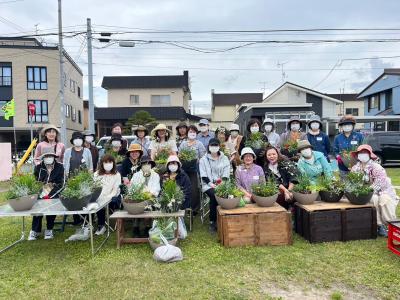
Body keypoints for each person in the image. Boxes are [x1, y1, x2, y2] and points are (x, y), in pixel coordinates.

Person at [351, 145, 399, 237]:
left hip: (383, 191)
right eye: (360, 153)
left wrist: (368, 190)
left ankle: (390, 225)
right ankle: (379, 225)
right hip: (366, 193)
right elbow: (353, 182)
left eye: (365, 153)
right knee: (373, 199)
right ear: (357, 155)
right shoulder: (355, 168)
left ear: (370, 154)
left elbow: (380, 182)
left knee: (383, 199)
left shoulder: (376, 167)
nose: (363, 155)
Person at [28, 148, 65, 241]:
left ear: (54, 157)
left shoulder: (60, 167)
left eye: (51, 156)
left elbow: (62, 184)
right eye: (46, 156)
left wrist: (50, 195)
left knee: (51, 208)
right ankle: (35, 230)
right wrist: (40, 193)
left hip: (54, 194)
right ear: (43, 158)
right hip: (40, 193)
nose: (49, 158)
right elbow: (35, 183)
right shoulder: (38, 168)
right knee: (37, 209)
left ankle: (49, 229)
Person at [199, 138, 230, 232]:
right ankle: (213, 221)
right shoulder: (203, 160)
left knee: (224, 194)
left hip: (223, 184)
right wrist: (211, 184)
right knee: (214, 195)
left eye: (216, 145)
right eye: (212, 145)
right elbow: (203, 174)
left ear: (219, 146)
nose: (214, 147)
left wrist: (222, 184)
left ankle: (224, 218)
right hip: (208, 185)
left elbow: (226, 172)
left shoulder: (224, 158)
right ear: (208, 147)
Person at [63, 131, 93, 225]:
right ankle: (76, 220)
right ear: (73, 141)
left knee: (85, 199)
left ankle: (86, 220)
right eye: (76, 139)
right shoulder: (68, 151)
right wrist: (67, 176)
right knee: (74, 199)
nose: (78, 140)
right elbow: (65, 165)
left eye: (80, 139)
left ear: (82, 140)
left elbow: (90, 166)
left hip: (84, 179)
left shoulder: (87, 151)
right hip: (72, 179)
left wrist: (90, 177)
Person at [178, 125, 206, 213]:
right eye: (190, 132)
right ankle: (184, 207)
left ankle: (194, 209)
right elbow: (179, 155)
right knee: (184, 188)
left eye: (194, 132)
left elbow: (203, 157)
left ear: (196, 133)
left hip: (195, 170)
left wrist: (198, 160)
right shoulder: (183, 144)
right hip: (184, 170)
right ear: (187, 133)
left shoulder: (199, 144)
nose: (192, 133)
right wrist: (183, 159)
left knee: (194, 189)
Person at [94, 155, 122, 235]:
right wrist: (99, 197)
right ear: (102, 164)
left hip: (112, 196)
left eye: (110, 162)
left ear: (113, 163)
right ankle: (97, 225)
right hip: (99, 196)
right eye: (106, 162)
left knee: (103, 202)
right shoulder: (96, 174)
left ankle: (101, 225)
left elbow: (116, 189)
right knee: (95, 201)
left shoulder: (117, 174)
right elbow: (95, 187)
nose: (108, 164)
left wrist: (107, 197)